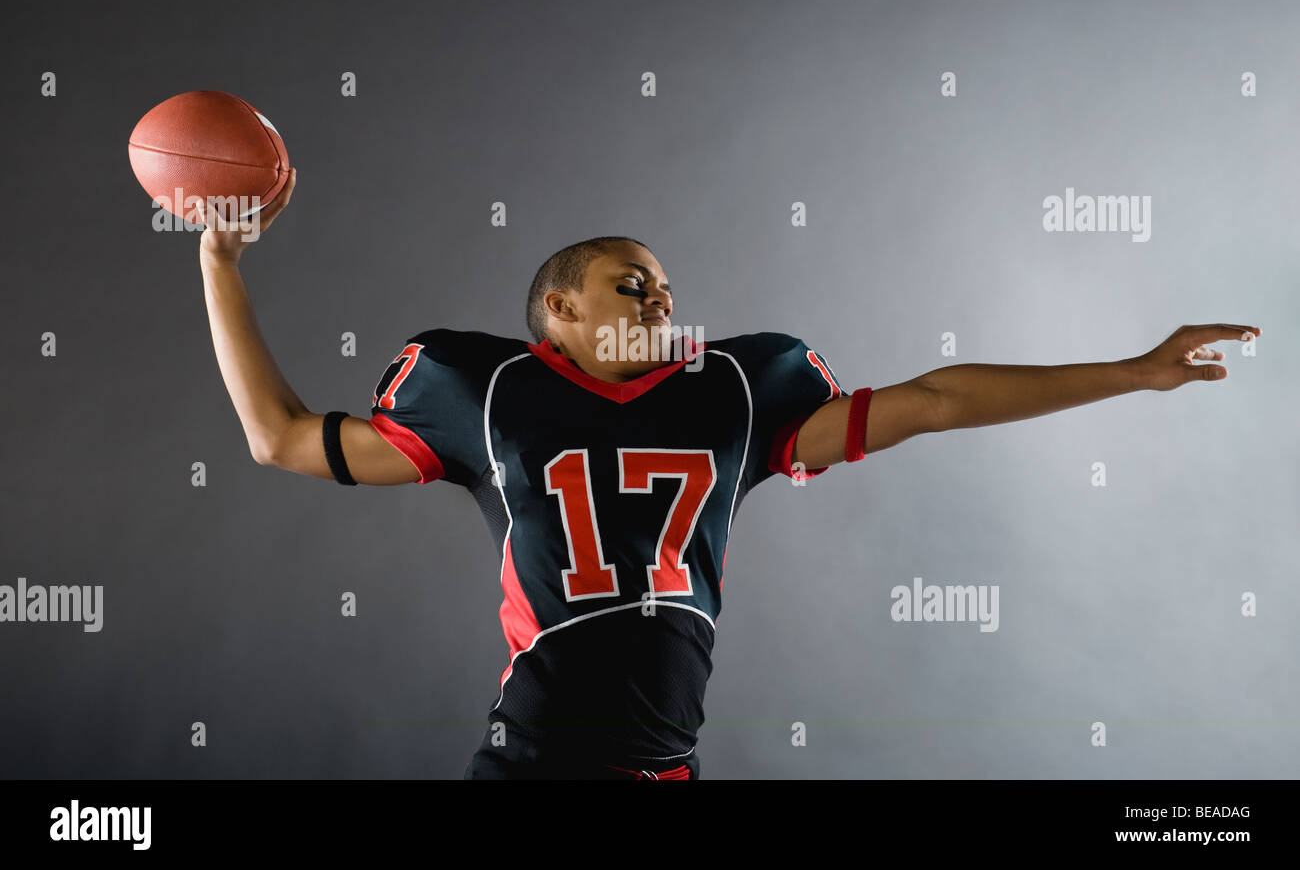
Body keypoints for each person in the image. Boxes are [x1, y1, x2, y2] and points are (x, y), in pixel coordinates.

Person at [198, 170, 1261, 779]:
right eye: (630, 285)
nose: (661, 301)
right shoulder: (489, 391)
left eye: (665, 286)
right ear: (560, 310)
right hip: (531, 767)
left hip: (665, 766)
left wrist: (1128, 371)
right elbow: (280, 436)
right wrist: (218, 263)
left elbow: (935, 401)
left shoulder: (737, 389)